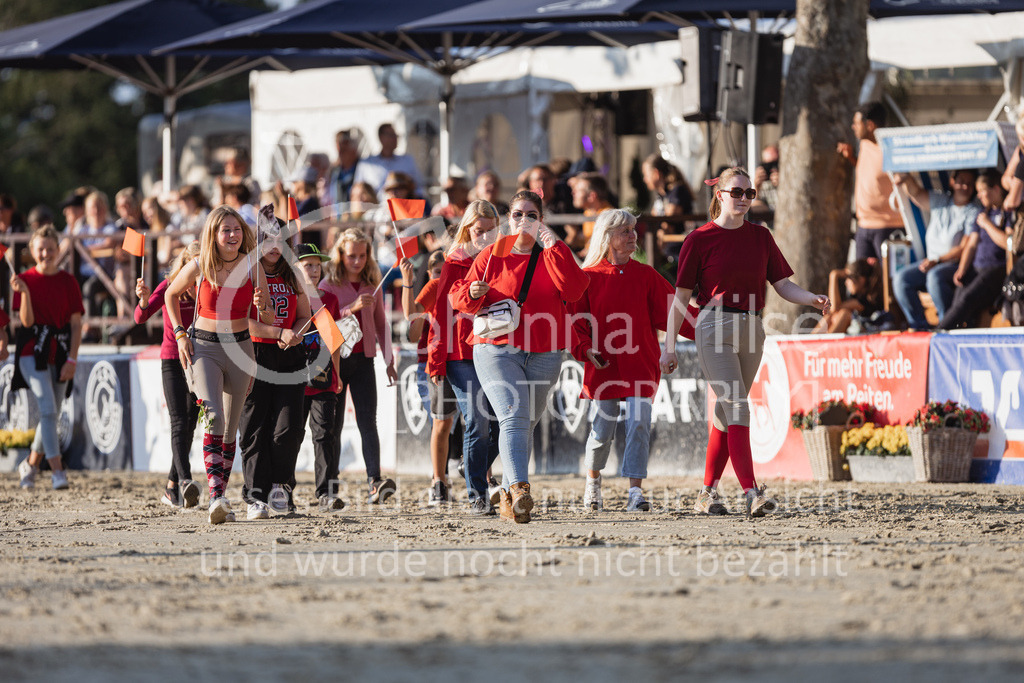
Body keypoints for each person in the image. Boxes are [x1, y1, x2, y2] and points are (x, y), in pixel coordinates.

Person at [660, 168, 830, 518]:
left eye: (749, 193)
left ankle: (706, 493)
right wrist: (670, 346)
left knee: (726, 413)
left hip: (753, 326)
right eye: (736, 192)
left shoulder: (761, 237)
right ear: (719, 194)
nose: (743, 198)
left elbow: (782, 285)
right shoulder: (699, 239)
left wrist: (811, 298)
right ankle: (752, 492)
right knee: (737, 405)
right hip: (713, 326)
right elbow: (681, 298)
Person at [451, 190, 590, 523]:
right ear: (507, 218)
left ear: (541, 220)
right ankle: (521, 489)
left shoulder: (553, 253)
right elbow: (460, 298)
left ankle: (508, 496)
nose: (523, 220)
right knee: (513, 415)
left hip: (545, 349)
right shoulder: (491, 255)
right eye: (517, 214)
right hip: (496, 348)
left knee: (526, 422)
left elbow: (573, 290)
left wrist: (553, 243)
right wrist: (471, 293)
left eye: (531, 214)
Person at [164, 206, 272, 525]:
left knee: (229, 429)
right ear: (213, 234)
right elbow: (171, 294)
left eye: (237, 229)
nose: (233, 235)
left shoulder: (253, 266)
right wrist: (181, 334)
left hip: (241, 348)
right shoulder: (200, 265)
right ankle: (217, 497)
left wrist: (262, 305)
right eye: (226, 230)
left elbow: (266, 314)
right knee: (212, 415)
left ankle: (220, 495)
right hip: (205, 348)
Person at [572, 209, 674, 512]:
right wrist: (587, 350)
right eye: (625, 231)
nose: (633, 236)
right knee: (602, 430)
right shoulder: (588, 277)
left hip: (641, 361)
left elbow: (674, 311)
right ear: (607, 237)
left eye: (634, 229)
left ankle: (635, 492)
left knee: (640, 424)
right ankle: (593, 481)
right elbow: (577, 324)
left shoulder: (645, 274)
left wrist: (708, 326)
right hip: (604, 366)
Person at [430, 200, 502, 515]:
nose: (484, 237)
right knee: (477, 419)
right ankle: (477, 494)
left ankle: (471, 465)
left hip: (497, 349)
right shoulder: (454, 262)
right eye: (478, 231)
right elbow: (439, 313)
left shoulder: (505, 261)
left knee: (502, 421)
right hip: (460, 353)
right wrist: (435, 359)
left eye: (490, 231)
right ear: (467, 229)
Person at [320, 228, 399, 503]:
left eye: (363, 256)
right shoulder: (328, 285)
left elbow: (380, 324)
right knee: (334, 425)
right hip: (336, 360)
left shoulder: (372, 283)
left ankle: (375, 481)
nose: (358, 261)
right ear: (340, 254)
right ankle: (329, 485)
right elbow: (322, 322)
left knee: (368, 421)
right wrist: (350, 309)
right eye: (352, 256)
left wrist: (389, 360)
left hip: (365, 359)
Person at [238, 223, 311, 520]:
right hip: (253, 354)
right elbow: (239, 320)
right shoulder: (245, 273)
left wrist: (293, 332)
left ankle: (281, 487)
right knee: (254, 426)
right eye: (267, 239)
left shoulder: (293, 273)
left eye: (279, 240)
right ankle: (255, 496)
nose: (273, 245)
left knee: (289, 428)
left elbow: (306, 316)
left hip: (290, 355)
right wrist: (277, 331)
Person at [12, 225, 83, 491]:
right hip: (32, 350)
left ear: (58, 250)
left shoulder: (68, 281)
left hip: (62, 350)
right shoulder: (24, 280)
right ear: (33, 251)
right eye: (40, 249)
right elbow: (26, 321)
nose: (46, 254)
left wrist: (72, 360)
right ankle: (57, 471)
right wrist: (25, 293)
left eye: (50, 249)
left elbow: (76, 324)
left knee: (51, 414)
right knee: (48, 408)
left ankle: (29, 466)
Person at [134, 243, 203, 508]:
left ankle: (172, 485)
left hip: (199, 361)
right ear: (184, 264)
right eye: (192, 265)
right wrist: (142, 298)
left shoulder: (206, 289)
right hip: (173, 359)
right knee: (179, 422)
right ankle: (186, 481)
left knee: (191, 423)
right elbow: (141, 317)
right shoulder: (170, 285)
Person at [401, 251, 458, 506]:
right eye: (436, 271)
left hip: (460, 359)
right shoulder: (431, 290)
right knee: (441, 423)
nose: (440, 275)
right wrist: (407, 283)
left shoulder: (458, 289)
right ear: (429, 273)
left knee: (460, 424)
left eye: (444, 270)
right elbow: (412, 330)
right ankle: (440, 479)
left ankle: (452, 474)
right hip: (430, 364)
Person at [891, 169, 981, 329]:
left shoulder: (973, 211)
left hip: (953, 265)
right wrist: (906, 177)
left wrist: (938, 260)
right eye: (961, 181)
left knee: (934, 277)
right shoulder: (941, 201)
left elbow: (963, 248)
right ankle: (919, 326)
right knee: (901, 279)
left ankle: (946, 325)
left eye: (969, 183)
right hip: (931, 261)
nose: (965, 186)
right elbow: (916, 193)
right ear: (952, 182)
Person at [294, 244, 345, 511]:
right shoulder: (290, 297)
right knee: (289, 436)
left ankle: (326, 492)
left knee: (324, 434)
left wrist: (336, 376)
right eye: (307, 265)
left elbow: (333, 341)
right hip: (292, 380)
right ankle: (283, 489)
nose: (314, 270)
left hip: (323, 379)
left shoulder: (329, 299)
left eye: (317, 265)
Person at [938, 170, 1013, 329]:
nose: (979, 196)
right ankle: (958, 336)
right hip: (976, 267)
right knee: (958, 299)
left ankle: (937, 334)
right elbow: (971, 245)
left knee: (967, 299)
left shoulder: (1007, 212)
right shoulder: (982, 213)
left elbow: (1009, 243)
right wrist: (962, 269)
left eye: (982, 191)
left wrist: (987, 225)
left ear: (995, 189)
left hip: (996, 269)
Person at [837, 101, 904, 261]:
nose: (853, 127)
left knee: (887, 282)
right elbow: (869, 171)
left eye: (856, 123)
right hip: (863, 226)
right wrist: (852, 158)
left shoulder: (891, 150)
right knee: (860, 281)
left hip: (888, 227)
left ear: (870, 125)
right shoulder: (864, 144)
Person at [813, 259, 884, 334]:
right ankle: (810, 342)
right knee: (830, 316)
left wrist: (833, 276)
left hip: (868, 329)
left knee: (844, 313)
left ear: (861, 279)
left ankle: (827, 343)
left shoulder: (867, 300)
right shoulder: (855, 296)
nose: (846, 282)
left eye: (849, 277)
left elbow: (834, 308)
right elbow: (833, 310)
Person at [353, 123, 424, 197]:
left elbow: (419, 187)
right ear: (381, 138)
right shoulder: (366, 165)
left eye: (396, 135)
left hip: (402, 206)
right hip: (375, 207)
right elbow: (357, 191)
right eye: (391, 135)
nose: (395, 138)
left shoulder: (407, 161)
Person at [327, 129, 362, 210]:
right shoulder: (334, 171)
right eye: (339, 148)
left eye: (345, 148)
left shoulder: (362, 169)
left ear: (354, 149)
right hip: (339, 218)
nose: (340, 152)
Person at [141, 196, 177, 271]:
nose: (145, 215)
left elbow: (166, 261)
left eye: (148, 209)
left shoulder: (169, 229)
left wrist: (147, 266)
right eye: (143, 211)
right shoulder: (151, 232)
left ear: (157, 209)